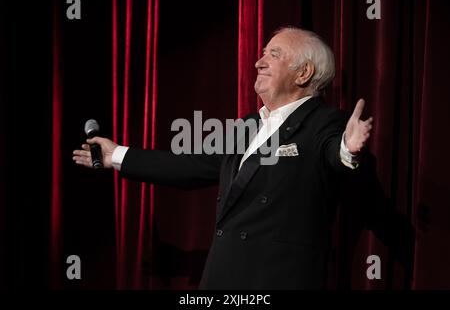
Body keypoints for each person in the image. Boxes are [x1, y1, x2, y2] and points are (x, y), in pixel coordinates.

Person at [73, 27, 374, 289]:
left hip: (277, 280)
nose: (259, 62)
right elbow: (190, 165)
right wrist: (117, 155)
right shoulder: (247, 126)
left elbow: (334, 152)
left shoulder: (324, 122)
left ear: (304, 72)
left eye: (274, 55)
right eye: (262, 53)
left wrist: (347, 149)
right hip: (222, 277)